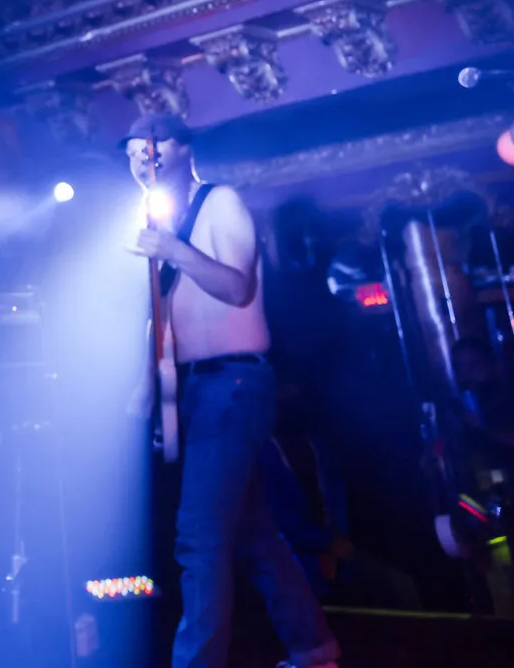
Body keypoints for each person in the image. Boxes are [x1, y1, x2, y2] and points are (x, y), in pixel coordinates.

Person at [124, 113, 340, 668]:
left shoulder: (218, 202)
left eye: (152, 146)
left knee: (199, 536)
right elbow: (162, 313)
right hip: (196, 389)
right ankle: (315, 649)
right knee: (251, 531)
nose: (142, 158)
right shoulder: (161, 222)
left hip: (234, 381)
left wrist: (174, 250)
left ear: (183, 148)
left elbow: (237, 287)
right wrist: (145, 390)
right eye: (132, 152)